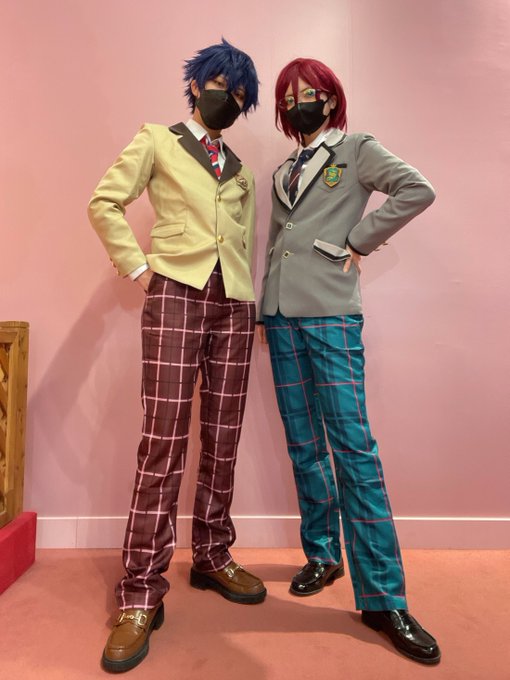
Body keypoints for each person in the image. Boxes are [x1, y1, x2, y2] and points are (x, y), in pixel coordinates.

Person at [88, 39, 265, 674]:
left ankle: (212, 554)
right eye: (220, 85)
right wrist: (140, 269)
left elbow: (242, 239)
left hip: (233, 304)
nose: (228, 98)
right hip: (175, 294)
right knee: (163, 440)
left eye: (239, 94)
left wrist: (249, 302)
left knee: (223, 434)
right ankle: (140, 590)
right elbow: (104, 202)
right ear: (195, 85)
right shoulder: (157, 141)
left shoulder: (240, 170)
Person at [257, 57, 440, 665]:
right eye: (288, 97)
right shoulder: (283, 169)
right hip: (280, 317)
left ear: (331, 100)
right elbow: (278, 240)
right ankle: (322, 554)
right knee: (303, 444)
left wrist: (358, 241)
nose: (298, 104)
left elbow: (417, 188)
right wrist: (266, 307)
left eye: (309, 93)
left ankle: (384, 597)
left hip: (332, 314)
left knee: (353, 449)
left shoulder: (356, 148)